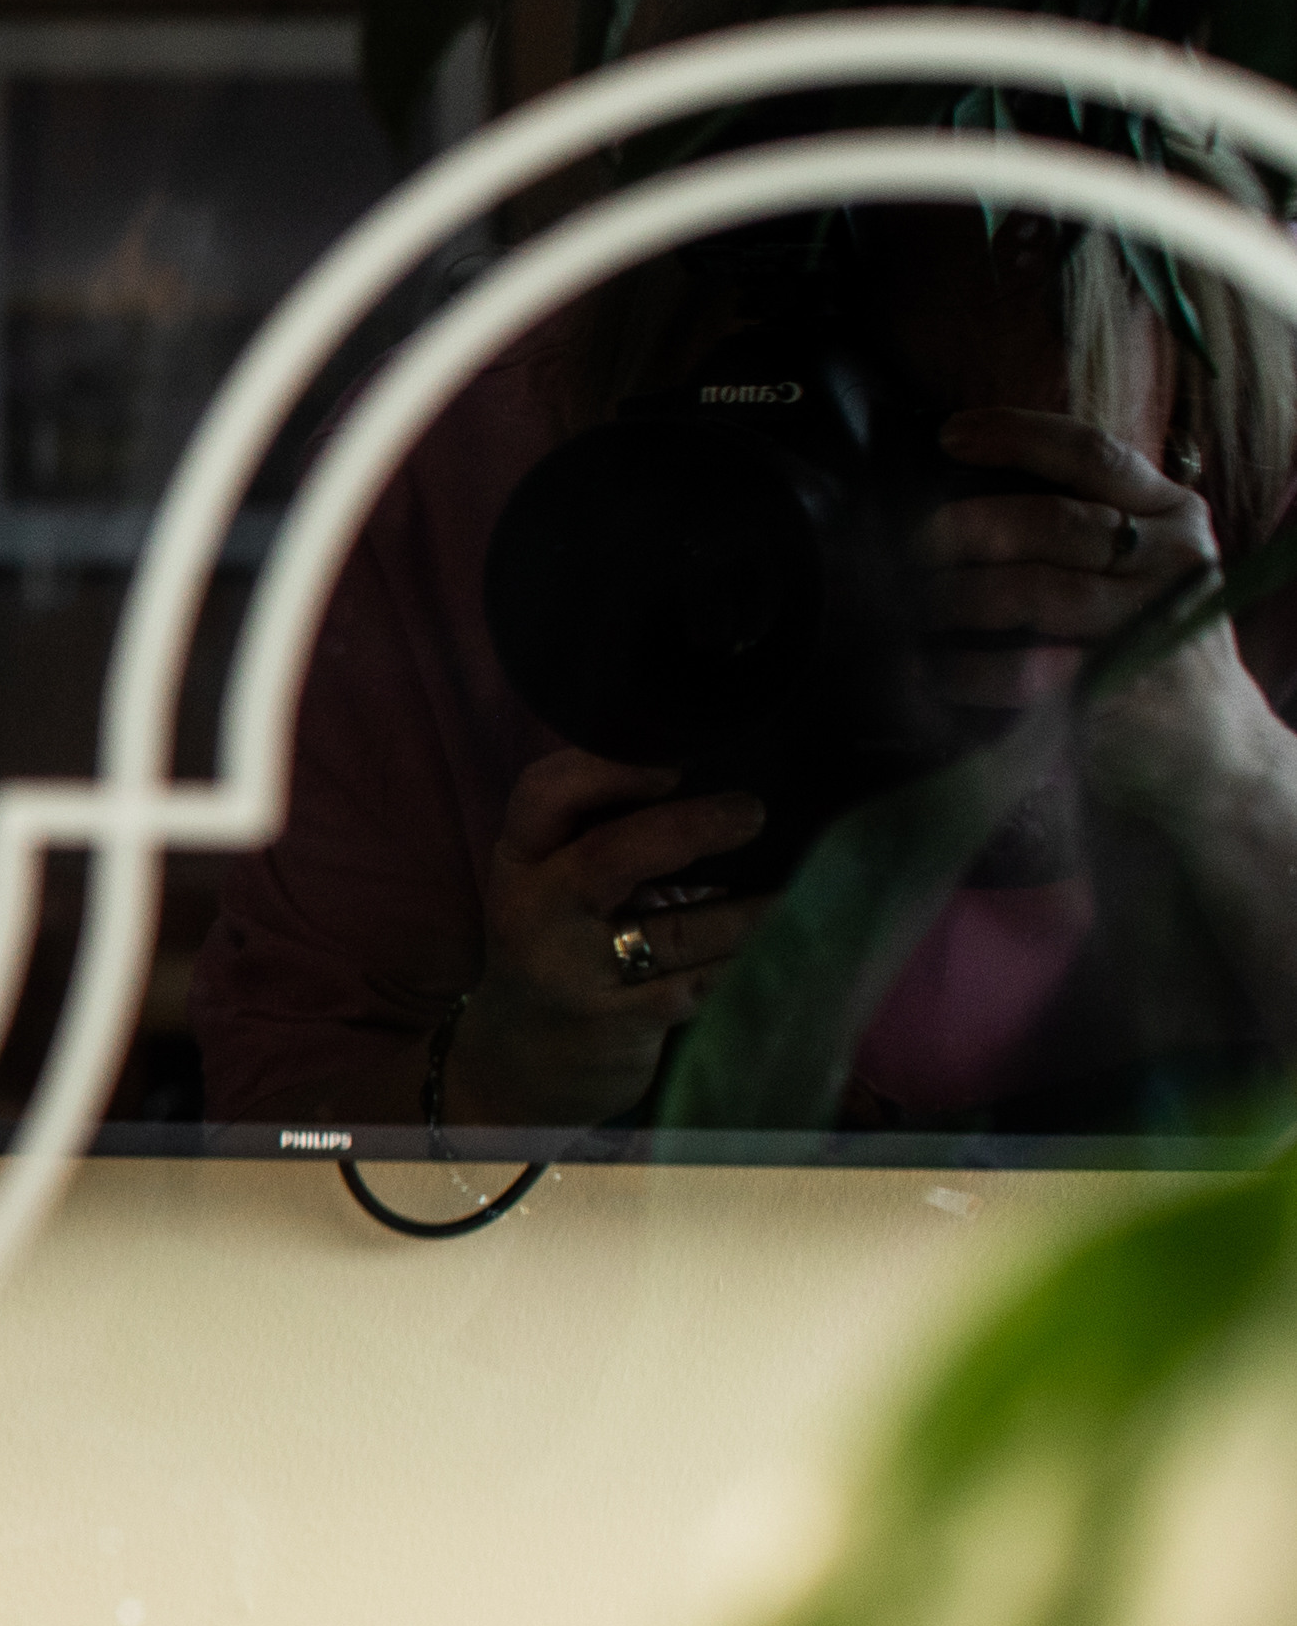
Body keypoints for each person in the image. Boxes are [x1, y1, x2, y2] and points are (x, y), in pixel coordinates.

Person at [202, 202, 1297, 1146]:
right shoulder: (469, 464)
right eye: (783, 480)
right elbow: (271, 1146)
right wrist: (498, 1081)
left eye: (969, 498)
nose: (869, 594)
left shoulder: (1261, 437)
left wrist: (1241, 785)